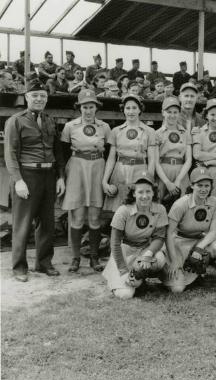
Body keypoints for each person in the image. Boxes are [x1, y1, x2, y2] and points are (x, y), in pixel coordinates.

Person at [4, 79, 66, 282]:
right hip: (27, 176)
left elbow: (57, 151)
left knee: (47, 223)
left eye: (43, 96)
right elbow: (10, 154)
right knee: (22, 223)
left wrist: (60, 177)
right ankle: (19, 266)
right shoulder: (15, 120)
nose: (39, 99)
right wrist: (18, 180)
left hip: (48, 176)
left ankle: (44, 263)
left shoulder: (49, 120)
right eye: (35, 95)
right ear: (27, 97)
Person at [60, 89, 111, 272]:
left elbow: (110, 150)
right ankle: (75, 258)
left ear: (96, 108)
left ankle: (94, 257)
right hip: (77, 167)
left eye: (91, 107)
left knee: (95, 216)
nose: (88, 111)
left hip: (97, 167)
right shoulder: (70, 126)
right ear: (79, 107)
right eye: (84, 107)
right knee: (78, 215)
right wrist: (62, 177)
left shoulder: (104, 127)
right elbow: (63, 153)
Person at [102, 172, 168, 300]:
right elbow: (115, 243)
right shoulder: (123, 210)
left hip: (145, 249)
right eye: (140, 192)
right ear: (133, 193)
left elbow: (159, 237)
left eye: (148, 192)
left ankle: (139, 277)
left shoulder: (160, 209)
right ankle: (120, 277)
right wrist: (123, 270)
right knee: (125, 295)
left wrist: (148, 254)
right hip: (125, 251)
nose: (145, 196)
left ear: (154, 192)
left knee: (159, 259)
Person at [163, 168, 216, 293]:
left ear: (211, 186)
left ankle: (197, 272)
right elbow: (168, 233)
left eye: (207, 185)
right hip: (179, 242)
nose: (203, 189)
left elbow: (213, 232)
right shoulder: (181, 204)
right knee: (177, 289)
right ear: (191, 185)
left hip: (199, 240)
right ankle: (170, 272)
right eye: (199, 185)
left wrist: (199, 247)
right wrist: (174, 261)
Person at [102, 94, 156, 212]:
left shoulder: (149, 131)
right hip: (120, 171)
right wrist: (105, 181)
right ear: (123, 110)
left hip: (140, 171)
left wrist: (149, 180)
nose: (131, 111)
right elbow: (111, 158)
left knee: (137, 208)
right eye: (128, 108)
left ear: (140, 110)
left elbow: (152, 160)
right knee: (118, 211)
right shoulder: (116, 131)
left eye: (134, 108)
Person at [155, 96, 192, 208]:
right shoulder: (157, 133)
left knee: (182, 204)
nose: (172, 115)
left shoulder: (185, 133)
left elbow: (189, 159)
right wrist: (167, 182)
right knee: (160, 203)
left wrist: (178, 181)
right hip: (163, 172)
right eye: (169, 112)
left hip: (181, 172)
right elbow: (155, 161)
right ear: (163, 113)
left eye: (175, 112)